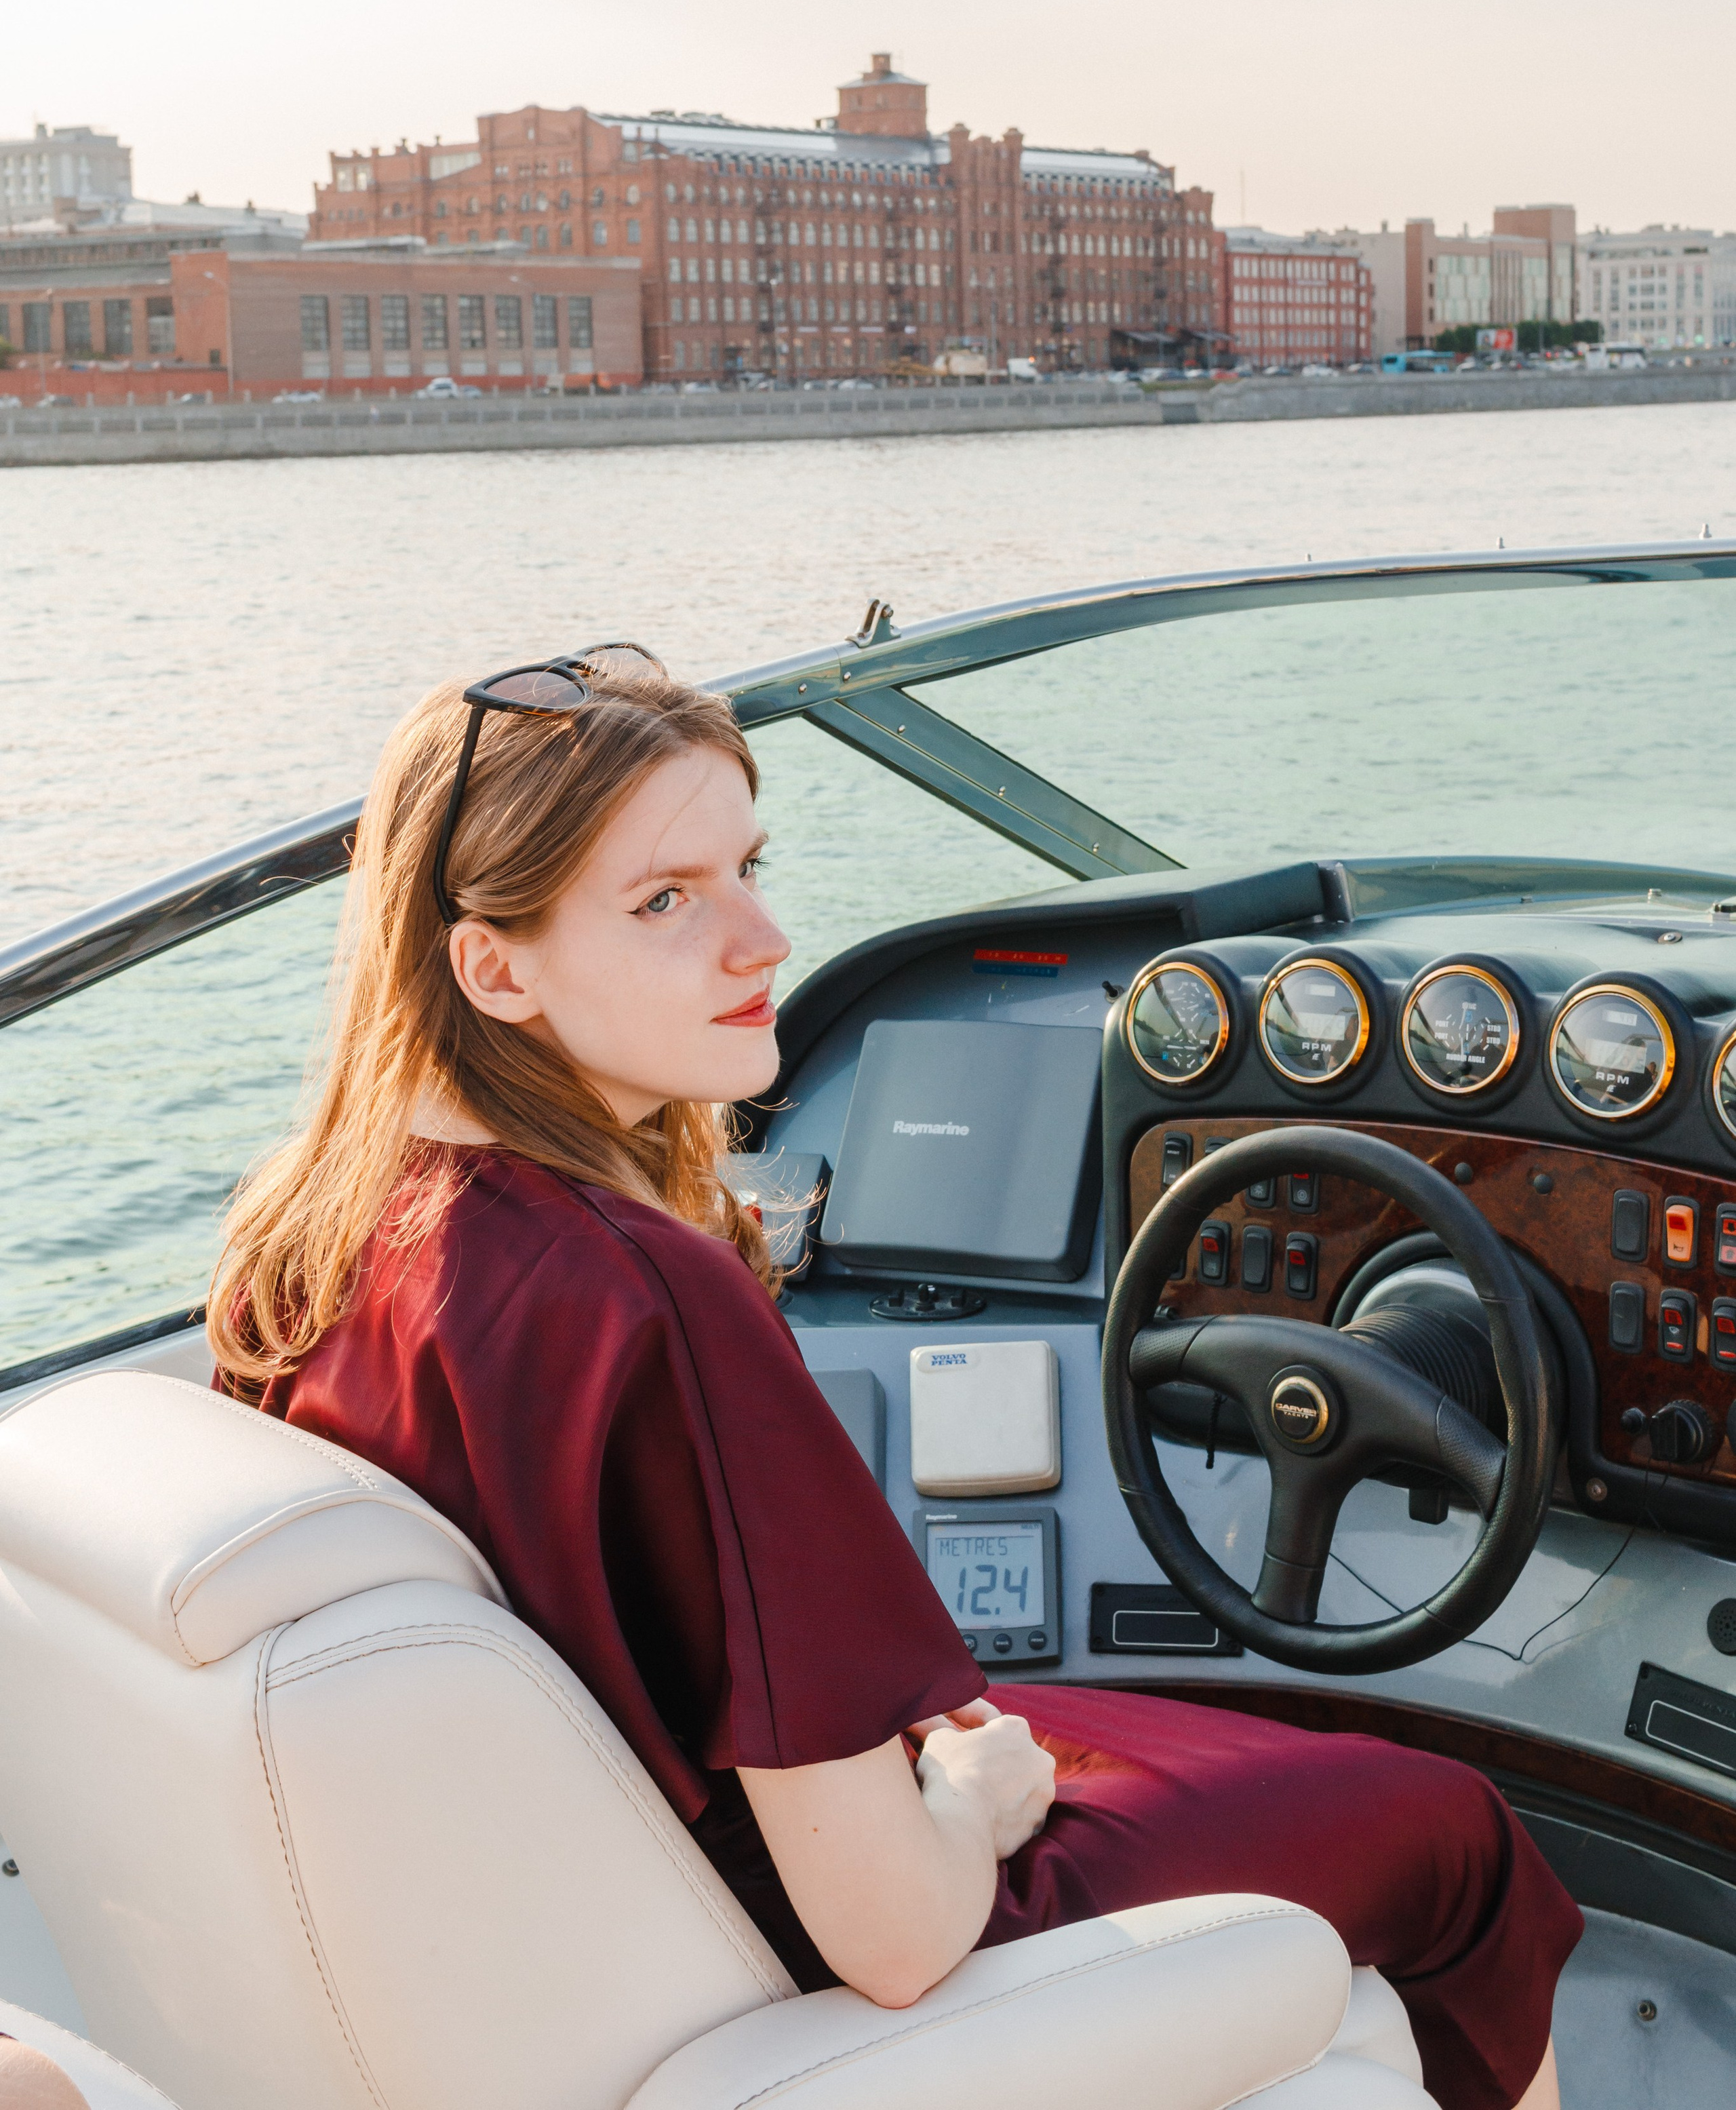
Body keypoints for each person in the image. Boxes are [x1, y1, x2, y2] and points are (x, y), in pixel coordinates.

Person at [211, 648, 1578, 2110]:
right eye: (664, 900)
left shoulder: (305, 1238)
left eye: (745, 866)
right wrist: (971, 1804)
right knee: (1455, 1832)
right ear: (494, 966)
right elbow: (900, 1939)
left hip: (601, 1909)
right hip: (814, 1926)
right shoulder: (650, 1294)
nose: (762, 938)